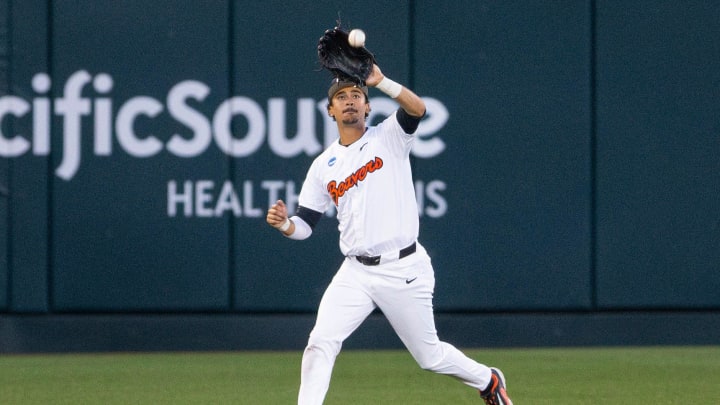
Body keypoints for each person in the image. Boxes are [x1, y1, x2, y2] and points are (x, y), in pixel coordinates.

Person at [266, 63, 514, 405]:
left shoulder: (388, 136)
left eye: (356, 95)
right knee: (320, 342)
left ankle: (488, 380)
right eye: (341, 96)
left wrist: (381, 81)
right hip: (355, 271)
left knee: (430, 358)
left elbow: (418, 109)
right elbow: (305, 224)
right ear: (330, 110)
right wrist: (284, 225)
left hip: (403, 268)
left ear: (368, 106)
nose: (350, 101)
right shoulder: (324, 165)